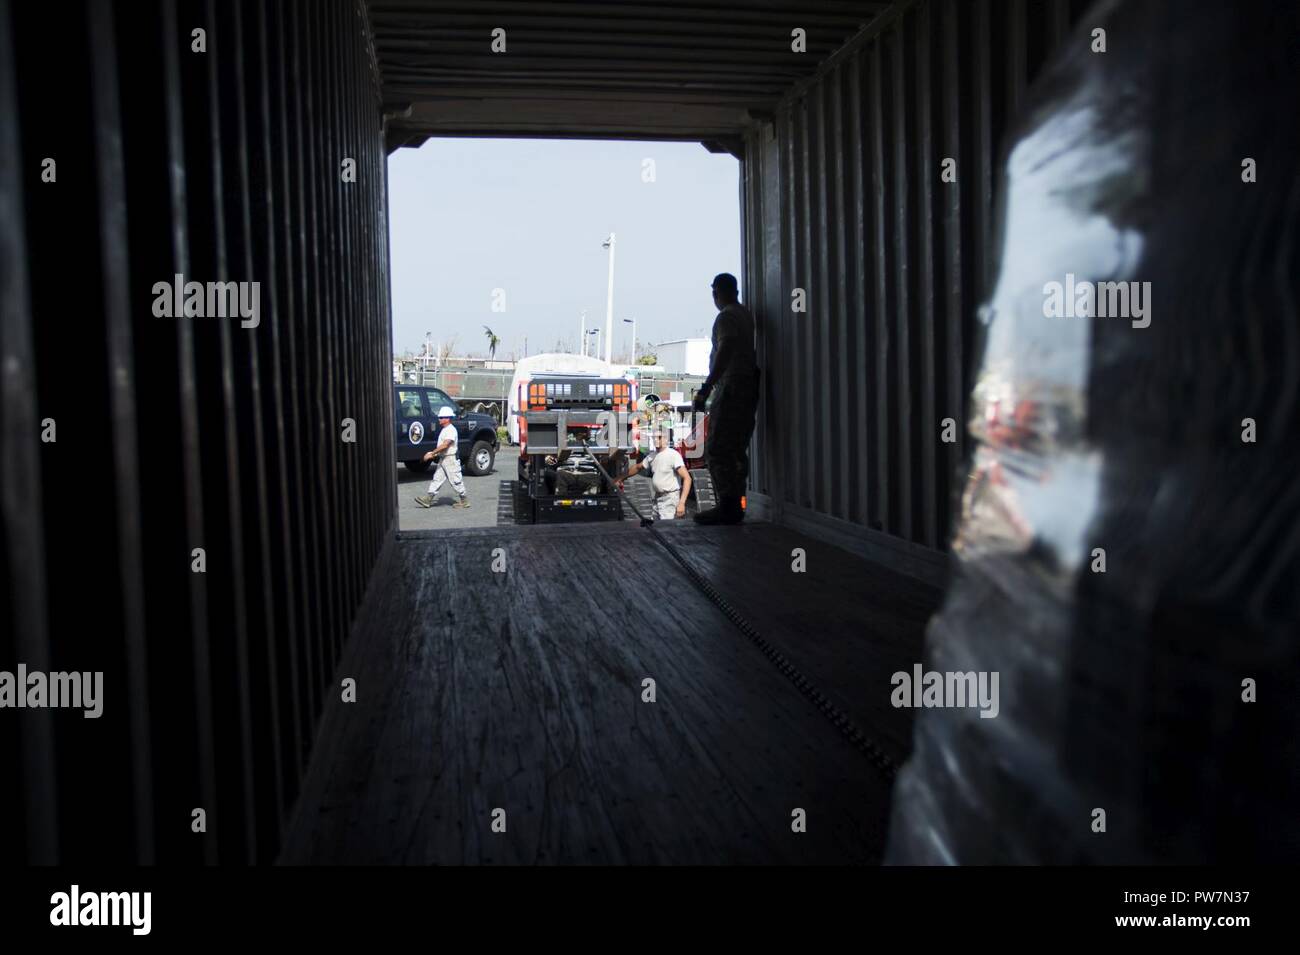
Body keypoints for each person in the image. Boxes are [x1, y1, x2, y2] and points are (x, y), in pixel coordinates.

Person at [692, 272, 758, 524]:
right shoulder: (745, 315)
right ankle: (736, 504)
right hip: (747, 387)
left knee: (718, 448)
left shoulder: (726, 317)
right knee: (736, 448)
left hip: (731, 388)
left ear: (716, 293)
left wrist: (707, 388)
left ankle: (728, 506)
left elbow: (726, 348)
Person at [623, 424, 693, 520]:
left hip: (670, 499)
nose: (656, 439)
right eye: (654, 437)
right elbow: (638, 467)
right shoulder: (652, 456)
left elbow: (687, 478)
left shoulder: (673, 455)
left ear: (666, 439)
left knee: (668, 531)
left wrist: (681, 503)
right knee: (657, 528)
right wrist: (621, 478)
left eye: (659, 437)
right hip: (657, 499)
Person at [414, 406, 469, 508]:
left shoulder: (451, 430)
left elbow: (446, 445)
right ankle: (428, 499)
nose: (439, 419)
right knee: (437, 479)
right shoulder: (445, 429)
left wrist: (432, 453)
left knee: (456, 480)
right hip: (444, 458)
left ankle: (464, 500)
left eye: (441, 417)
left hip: (450, 459)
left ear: (447, 418)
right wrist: (434, 453)